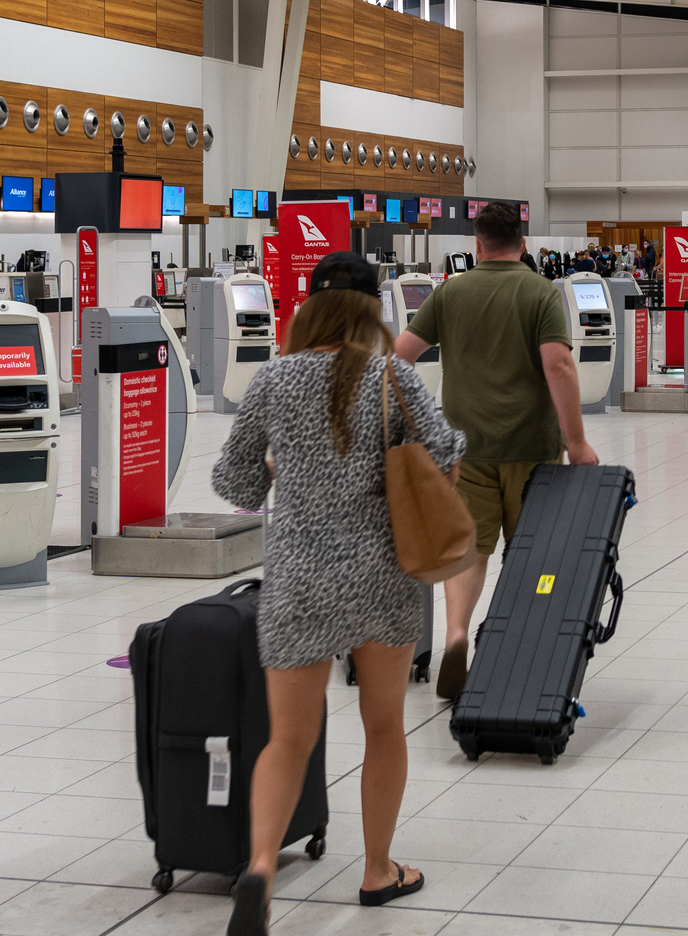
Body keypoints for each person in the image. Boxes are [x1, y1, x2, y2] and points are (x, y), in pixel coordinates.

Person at [212, 253, 465, 935]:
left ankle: (261, 867)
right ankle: (378, 869)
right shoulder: (395, 376)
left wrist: (277, 464)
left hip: (296, 577)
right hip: (381, 575)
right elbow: (444, 457)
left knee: (288, 738)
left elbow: (233, 487)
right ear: (373, 311)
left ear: (311, 309)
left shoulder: (273, 378)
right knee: (383, 726)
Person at [395, 200, 598, 700]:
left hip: (466, 452)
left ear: (477, 244)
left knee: (469, 550)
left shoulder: (451, 293)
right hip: (534, 448)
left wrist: (419, 427)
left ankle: (458, 632)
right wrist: (577, 443)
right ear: (523, 242)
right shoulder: (540, 292)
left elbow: (399, 358)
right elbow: (560, 366)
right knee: (531, 554)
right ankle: (519, 652)